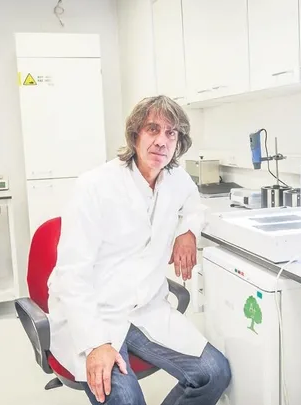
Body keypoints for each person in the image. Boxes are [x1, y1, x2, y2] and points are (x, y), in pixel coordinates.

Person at [46, 95, 232, 405]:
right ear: (135, 135)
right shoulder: (94, 186)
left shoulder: (176, 179)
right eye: (153, 129)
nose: (162, 141)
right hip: (97, 314)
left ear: (178, 143)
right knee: (126, 399)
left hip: (147, 310)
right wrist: (95, 344)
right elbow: (71, 275)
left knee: (215, 373)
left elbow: (194, 205)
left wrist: (187, 231)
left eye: (171, 133)